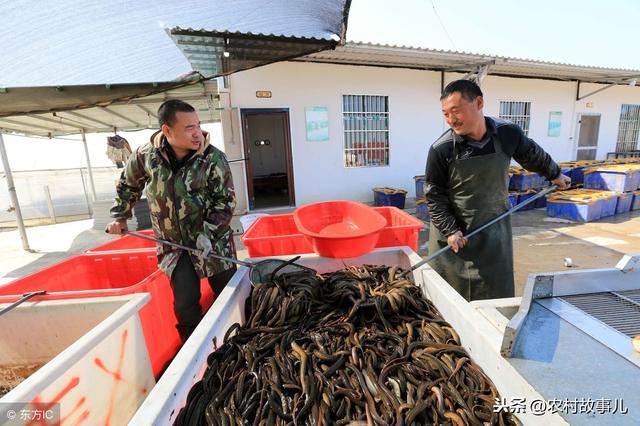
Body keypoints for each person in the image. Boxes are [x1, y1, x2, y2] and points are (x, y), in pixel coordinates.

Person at [425, 79, 571, 301]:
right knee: (450, 302)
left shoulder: (507, 134)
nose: (451, 120)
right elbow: (434, 195)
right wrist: (450, 230)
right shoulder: (442, 149)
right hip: (455, 237)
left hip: (494, 229)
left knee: (495, 297)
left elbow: (531, 154)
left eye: (456, 111)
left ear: (479, 102)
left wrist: (555, 174)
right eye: (445, 114)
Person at [106, 99, 236, 342]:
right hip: (174, 248)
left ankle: (237, 344)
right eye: (189, 128)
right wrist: (120, 215)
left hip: (214, 244)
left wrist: (207, 232)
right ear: (167, 131)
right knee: (186, 308)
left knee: (230, 297)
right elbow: (128, 184)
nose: (197, 133)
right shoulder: (146, 156)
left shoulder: (213, 159)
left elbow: (225, 201)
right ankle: (196, 357)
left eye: (198, 125)